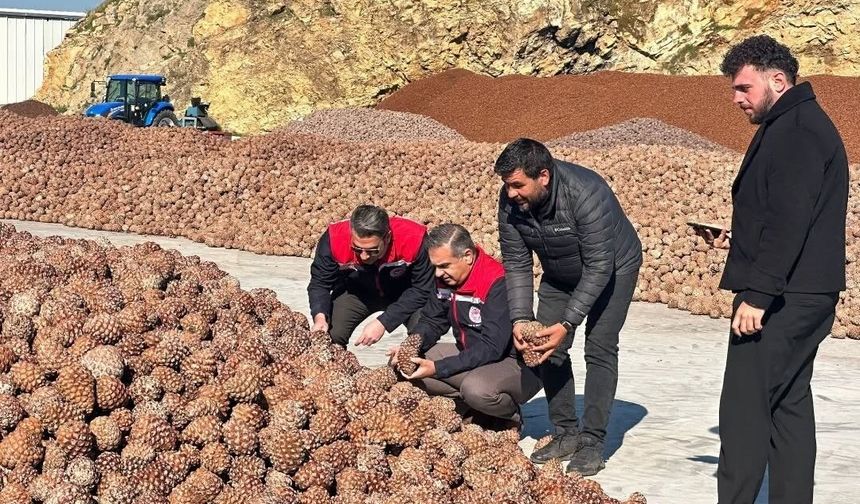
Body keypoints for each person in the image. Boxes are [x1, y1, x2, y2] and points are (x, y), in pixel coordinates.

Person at [704, 35, 848, 504]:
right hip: (802, 291)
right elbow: (779, 211)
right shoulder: (793, 123)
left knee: (744, 411)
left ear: (778, 80)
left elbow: (790, 219)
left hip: (785, 298)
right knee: (788, 405)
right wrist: (739, 240)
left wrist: (760, 293)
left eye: (744, 88)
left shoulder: (799, 130)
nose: (736, 99)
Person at [495, 138, 642, 475]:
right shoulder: (510, 202)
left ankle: (592, 441)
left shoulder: (586, 192)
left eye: (518, 185)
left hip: (613, 268)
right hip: (560, 272)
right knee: (549, 350)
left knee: (599, 347)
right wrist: (520, 317)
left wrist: (568, 323)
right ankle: (565, 433)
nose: (511, 193)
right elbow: (517, 263)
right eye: (507, 185)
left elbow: (599, 267)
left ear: (543, 176)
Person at [388, 223, 542, 430]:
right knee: (403, 367)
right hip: (471, 352)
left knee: (476, 389)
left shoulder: (496, 282)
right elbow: (432, 320)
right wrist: (411, 345)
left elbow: (492, 347)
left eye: (444, 266)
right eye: (434, 266)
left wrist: (438, 368)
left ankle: (509, 415)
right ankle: (471, 409)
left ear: (467, 256)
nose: (437, 274)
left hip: (512, 362)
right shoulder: (446, 280)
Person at [307, 204, 434, 346]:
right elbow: (320, 283)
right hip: (357, 292)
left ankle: (415, 364)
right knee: (331, 335)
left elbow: (423, 289)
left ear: (387, 238)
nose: (364, 256)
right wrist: (319, 317)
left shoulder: (414, 239)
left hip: (405, 294)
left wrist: (384, 322)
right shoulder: (334, 238)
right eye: (357, 249)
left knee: (424, 331)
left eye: (373, 250)